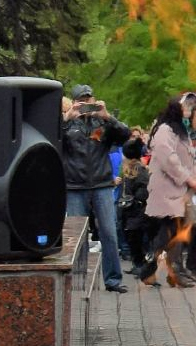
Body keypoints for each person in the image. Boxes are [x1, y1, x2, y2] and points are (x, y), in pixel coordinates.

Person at [63, 85, 131, 293]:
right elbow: (51, 140)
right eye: (81, 101)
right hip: (75, 185)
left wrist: (107, 116)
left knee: (109, 232)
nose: (85, 105)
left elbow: (125, 137)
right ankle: (78, 278)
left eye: (88, 100)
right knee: (78, 236)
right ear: (74, 102)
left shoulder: (101, 122)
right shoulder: (67, 125)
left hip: (101, 184)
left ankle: (112, 280)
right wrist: (67, 118)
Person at [135, 95, 196, 288]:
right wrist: (188, 178)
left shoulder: (182, 132)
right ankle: (155, 270)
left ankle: (171, 271)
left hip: (180, 191)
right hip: (166, 190)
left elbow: (192, 157)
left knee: (176, 231)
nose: (190, 109)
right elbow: (168, 159)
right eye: (187, 105)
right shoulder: (165, 130)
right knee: (169, 231)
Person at [117, 139, 150, 274]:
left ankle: (141, 265)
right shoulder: (127, 169)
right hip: (128, 210)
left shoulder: (140, 169)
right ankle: (137, 263)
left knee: (135, 237)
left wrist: (136, 202)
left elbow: (142, 189)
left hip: (137, 211)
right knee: (131, 238)